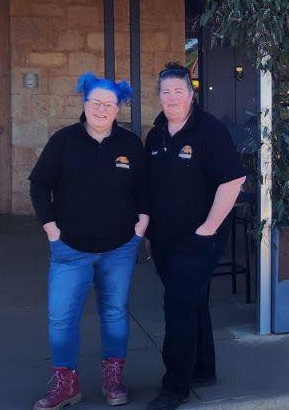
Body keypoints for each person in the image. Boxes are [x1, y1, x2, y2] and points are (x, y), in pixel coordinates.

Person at [29, 73, 149, 409]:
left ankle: (114, 377)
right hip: (70, 249)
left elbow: (144, 189)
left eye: (108, 104)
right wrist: (51, 228)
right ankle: (66, 384)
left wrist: (141, 226)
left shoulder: (130, 144)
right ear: (84, 103)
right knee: (61, 318)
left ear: (118, 108)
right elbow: (39, 185)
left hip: (119, 247)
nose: (101, 109)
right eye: (95, 102)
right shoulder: (63, 141)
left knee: (114, 313)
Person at [145, 63, 246, 410]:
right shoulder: (155, 135)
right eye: (166, 92)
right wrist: (149, 233)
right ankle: (203, 368)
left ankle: (175, 387)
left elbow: (233, 181)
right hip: (164, 240)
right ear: (158, 97)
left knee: (177, 307)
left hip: (200, 238)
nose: (172, 98)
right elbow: (152, 188)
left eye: (179, 91)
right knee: (193, 303)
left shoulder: (209, 130)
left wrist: (208, 229)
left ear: (191, 95)